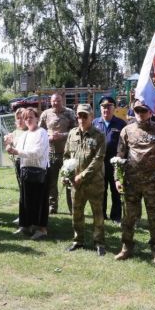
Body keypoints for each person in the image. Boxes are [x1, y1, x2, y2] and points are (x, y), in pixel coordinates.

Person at [114, 98, 155, 264]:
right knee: (129, 217)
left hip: (153, 182)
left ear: (150, 112)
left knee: (154, 218)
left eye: (143, 111)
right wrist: (118, 178)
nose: (140, 114)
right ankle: (126, 247)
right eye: (137, 110)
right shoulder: (126, 130)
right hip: (131, 182)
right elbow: (120, 156)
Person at [64, 104, 107, 255]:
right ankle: (78, 240)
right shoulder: (72, 134)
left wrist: (82, 176)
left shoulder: (99, 135)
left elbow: (98, 159)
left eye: (85, 116)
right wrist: (67, 175)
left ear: (91, 117)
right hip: (76, 184)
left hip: (94, 182)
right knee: (77, 213)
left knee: (97, 214)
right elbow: (66, 156)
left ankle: (99, 242)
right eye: (79, 116)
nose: (81, 119)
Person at [7, 108, 50, 240]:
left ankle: (42, 229)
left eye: (31, 117)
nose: (28, 120)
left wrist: (17, 151)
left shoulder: (42, 132)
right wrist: (10, 144)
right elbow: (18, 148)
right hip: (25, 170)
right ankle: (25, 226)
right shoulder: (25, 134)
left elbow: (37, 152)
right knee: (25, 200)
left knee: (40, 201)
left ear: (37, 118)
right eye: (26, 118)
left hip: (39, 171)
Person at [38, 93, 77, 213]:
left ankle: (72, 208)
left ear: (62, 101)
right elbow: (40, 130)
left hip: (67, 152)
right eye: (54, 101)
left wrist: (62, 135)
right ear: (50, 101)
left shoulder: (69, 112)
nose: (56, 103)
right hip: (51, 152)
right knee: (51, 182)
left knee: (69, 181)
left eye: (58, 101)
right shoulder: (45, 114)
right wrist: (48, 136)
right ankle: (52, 207)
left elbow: (75, 130)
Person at [92, 96, 127, 224]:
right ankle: (101, 215)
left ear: (114, 108)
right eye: (103, 107)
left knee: (116, 190)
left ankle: (116, 216)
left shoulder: (121, 123)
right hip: (99, 163)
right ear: (100, 108)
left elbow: (124, 144)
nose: (106, 109)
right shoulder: (95, 123)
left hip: (115, 164)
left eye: (109, 106)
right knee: (101, 190)